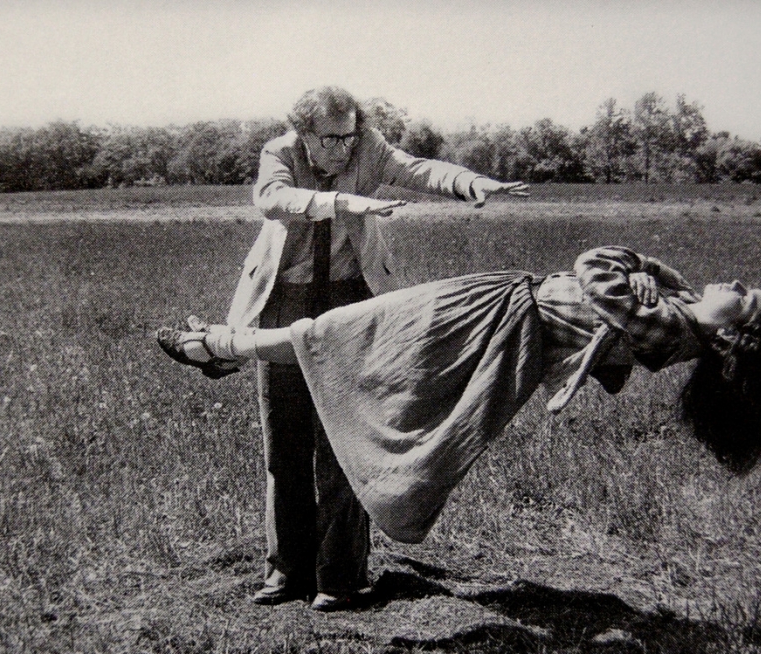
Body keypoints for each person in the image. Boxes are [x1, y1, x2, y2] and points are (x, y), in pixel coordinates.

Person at [159, 245, 761, 589]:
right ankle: (223, 346)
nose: (732, 283)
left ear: (733, 338)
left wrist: (638, 272)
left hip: (489, 321)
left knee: (343, 332)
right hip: (493, 308)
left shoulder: (669, 331)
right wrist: (650, 275)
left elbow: (595, 266)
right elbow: (621, 273)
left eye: (743, 298)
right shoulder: (675, 314)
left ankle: (217, 345)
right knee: (344, 332)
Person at [219, 86, 529, 611]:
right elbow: (271, 199)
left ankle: (340, 578)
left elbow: (418, 169)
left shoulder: (369, 147)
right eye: (330, 139)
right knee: (285, 446)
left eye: (349, 136)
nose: (343, 148)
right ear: (304, 133)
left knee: (344, 445)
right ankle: (286, 571)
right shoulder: (280, 153)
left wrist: (469, 182)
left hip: (351, 304)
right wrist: (340, 203)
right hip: (284, 301)